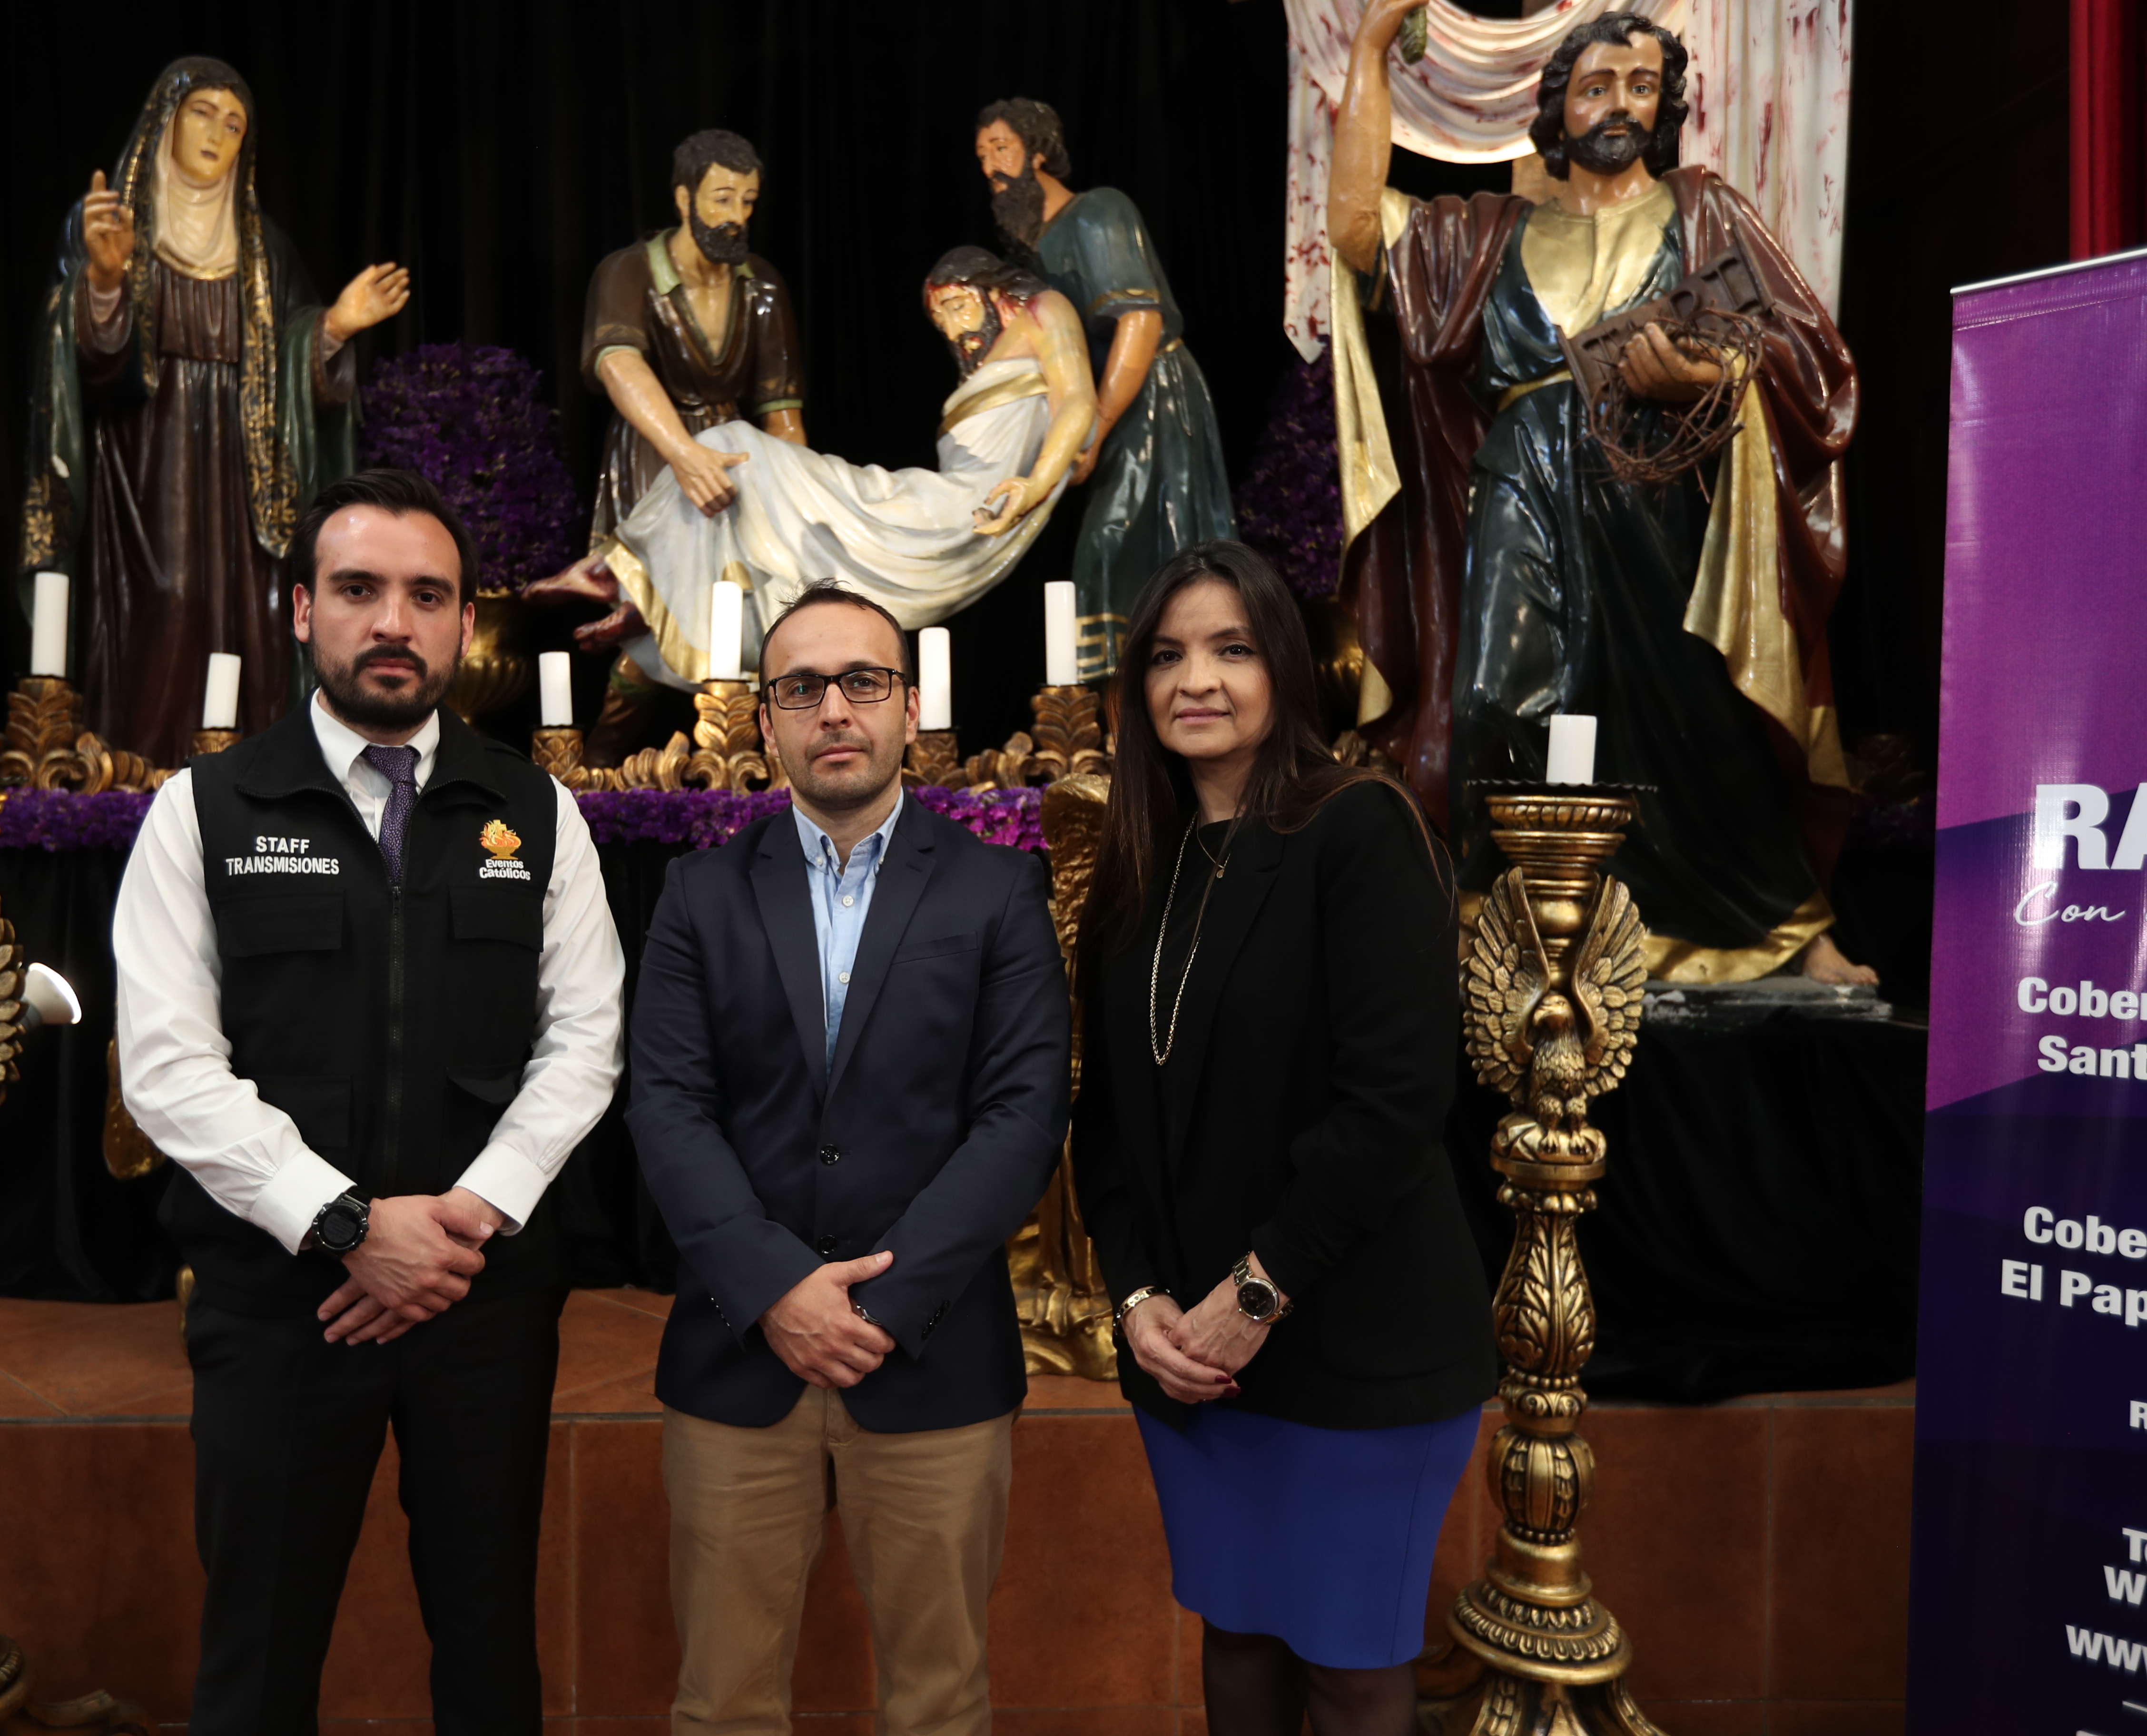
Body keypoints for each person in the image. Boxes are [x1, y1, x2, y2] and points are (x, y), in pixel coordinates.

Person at [112, 466, 626, 1734]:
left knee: (491, 1652)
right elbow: (169, 1069)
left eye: (426, 596)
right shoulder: (205, 811)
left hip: (481, 1303)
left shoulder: (535, 813)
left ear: (464, 623)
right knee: (258, 1661)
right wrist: (349, 1226)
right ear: (300, 611)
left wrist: (462, 1224)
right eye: (359, 589)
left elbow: (587, 1041)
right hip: (285, 1310)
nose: (393, 621)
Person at [1326, 2, 1873, 983]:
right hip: (1522, 487)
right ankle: (1502, 913)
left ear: (1665, 104)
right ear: (1557, 104)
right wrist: (1372, 47)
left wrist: (1702, 380)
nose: (1619, 103)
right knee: (1496, 698)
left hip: (1659, 495)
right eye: (1595, 86)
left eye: (1641, 85)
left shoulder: (1703, 211)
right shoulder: (1486, 236)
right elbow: (1361, 228)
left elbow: (1809, 365)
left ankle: (1778, 925)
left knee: (1698, 711)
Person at [627, 580, 1073, 1736]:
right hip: (738, 1359)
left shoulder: (996, 889)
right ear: (766, 718)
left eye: (861, 681)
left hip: (929, 1360)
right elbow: (669, 1108)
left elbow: (1020, 1115)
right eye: (801, 687)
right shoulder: (697, 894)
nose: (834, 708)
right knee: (720, 1703)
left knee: (939, 1702)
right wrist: (778, 1290)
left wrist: (878, 1302)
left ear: (907, 707)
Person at [1071, 542, 1497, 1735]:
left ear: (1284, 670)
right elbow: (1104, 1125)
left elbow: (1393, 1106)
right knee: (1239, 1638)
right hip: (1194, 1366)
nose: (1192, 680)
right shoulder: (1138, 864)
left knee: (1351, 1669)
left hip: (1353, 1347)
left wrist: (1244, 1302)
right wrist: (1141, 1297)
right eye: (1164, 655)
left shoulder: (1357, 829)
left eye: (1229, 649)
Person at [22, 57, 409, 762]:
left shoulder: (267, 251)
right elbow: (85, 373)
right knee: (163, 605)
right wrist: (106, 282)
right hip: (145, 467)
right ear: (164, 124)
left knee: (250, 622)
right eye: (201, 113)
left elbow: (297, 366)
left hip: (244, 482)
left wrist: (333, 329)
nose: (216, 134)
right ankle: (134, 776)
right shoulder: (112, 228)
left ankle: (251, 782)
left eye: (234, 124)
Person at [549, 246, 1095, 686]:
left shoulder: (1042, 311)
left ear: (992, 288)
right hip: (942, 501)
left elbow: (1077, 402)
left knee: (735, 444)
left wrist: (1036, 483)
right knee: (756, 539)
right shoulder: (994, 348)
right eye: (941, 317)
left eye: (958, 306)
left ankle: (612, 569)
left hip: (965, 506)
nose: (953, 329)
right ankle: (642, 594)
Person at [562, 128, 808, 759]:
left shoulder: (764, 286)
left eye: (749, 202)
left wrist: (801, 503)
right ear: (683, 198)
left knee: (751, 616)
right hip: (655, 455)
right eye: (723, 198)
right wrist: (683, 453)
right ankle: (599, 769)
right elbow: (619, 365)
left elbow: (781, 410)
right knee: (655, 625)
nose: (737, 217)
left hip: (738, 465)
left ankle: (753, 769)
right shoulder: (629, 272)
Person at [974, 98, 1235, 680]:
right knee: (1115, 559)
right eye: (982, 155)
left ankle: (1175, 696)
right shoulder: (1031, 252)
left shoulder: (1098, 212)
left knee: (1135, 547)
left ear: (1039, 150)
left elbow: (1138, 321)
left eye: (1002, 147)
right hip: (1107, 408)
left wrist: (1096, 427)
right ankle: (1129, 728)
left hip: (1154, 399)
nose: (991, 165)